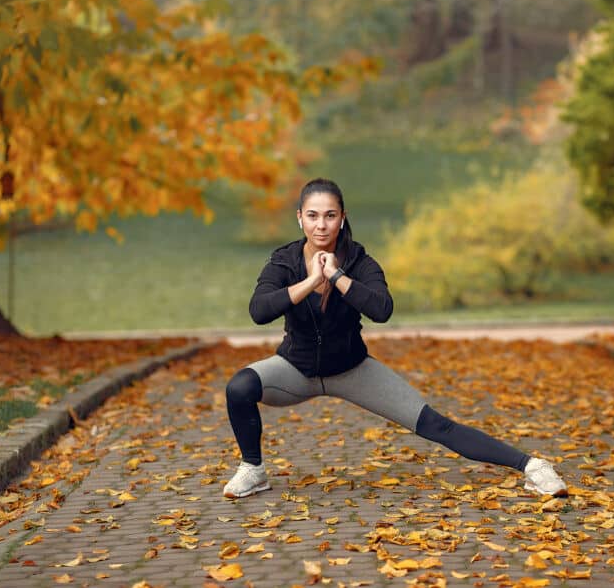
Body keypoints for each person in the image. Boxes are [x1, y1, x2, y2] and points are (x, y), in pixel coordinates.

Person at [222, 178, 567, 499]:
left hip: (352, 370)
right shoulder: (284, 261)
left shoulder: (360, 262)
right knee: (240, 388)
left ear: (342, 218)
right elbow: (259, 310)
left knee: (435, 424)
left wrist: (336, 276)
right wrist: (311, 281)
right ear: (300, 219)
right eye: (312, 216)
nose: (321, 224)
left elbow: (382, 309)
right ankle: (254, 470)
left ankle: (533, 467)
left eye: (330, 215)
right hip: (294, 371)